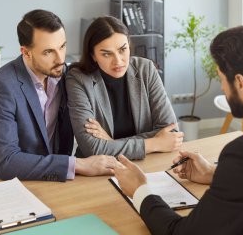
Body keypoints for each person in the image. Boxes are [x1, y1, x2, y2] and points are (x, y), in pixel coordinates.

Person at [114, 26, 243, 234]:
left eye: (221, 79)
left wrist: (140, 190)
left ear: (240, 82)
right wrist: (214, 174)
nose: (222, 88)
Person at [0, 9, 118, 184]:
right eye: (48, 52)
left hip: (51, 182)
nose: (60, 59)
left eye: (62, 46)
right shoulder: (1, 86)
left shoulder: (68, 76)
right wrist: (78, 164)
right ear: (26, 52)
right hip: (3, 185)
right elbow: (7, 162)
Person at [66, 16, 183, 160]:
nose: (118, 61)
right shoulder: (78, 79)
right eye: (107, 54)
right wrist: (153, 143)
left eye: (122, 50)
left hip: (146, 162)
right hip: (98, 171)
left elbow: (171, 132)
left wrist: (110, 143)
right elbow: (93, 148)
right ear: (93, 55)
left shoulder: (145, 69)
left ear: (129, 45)